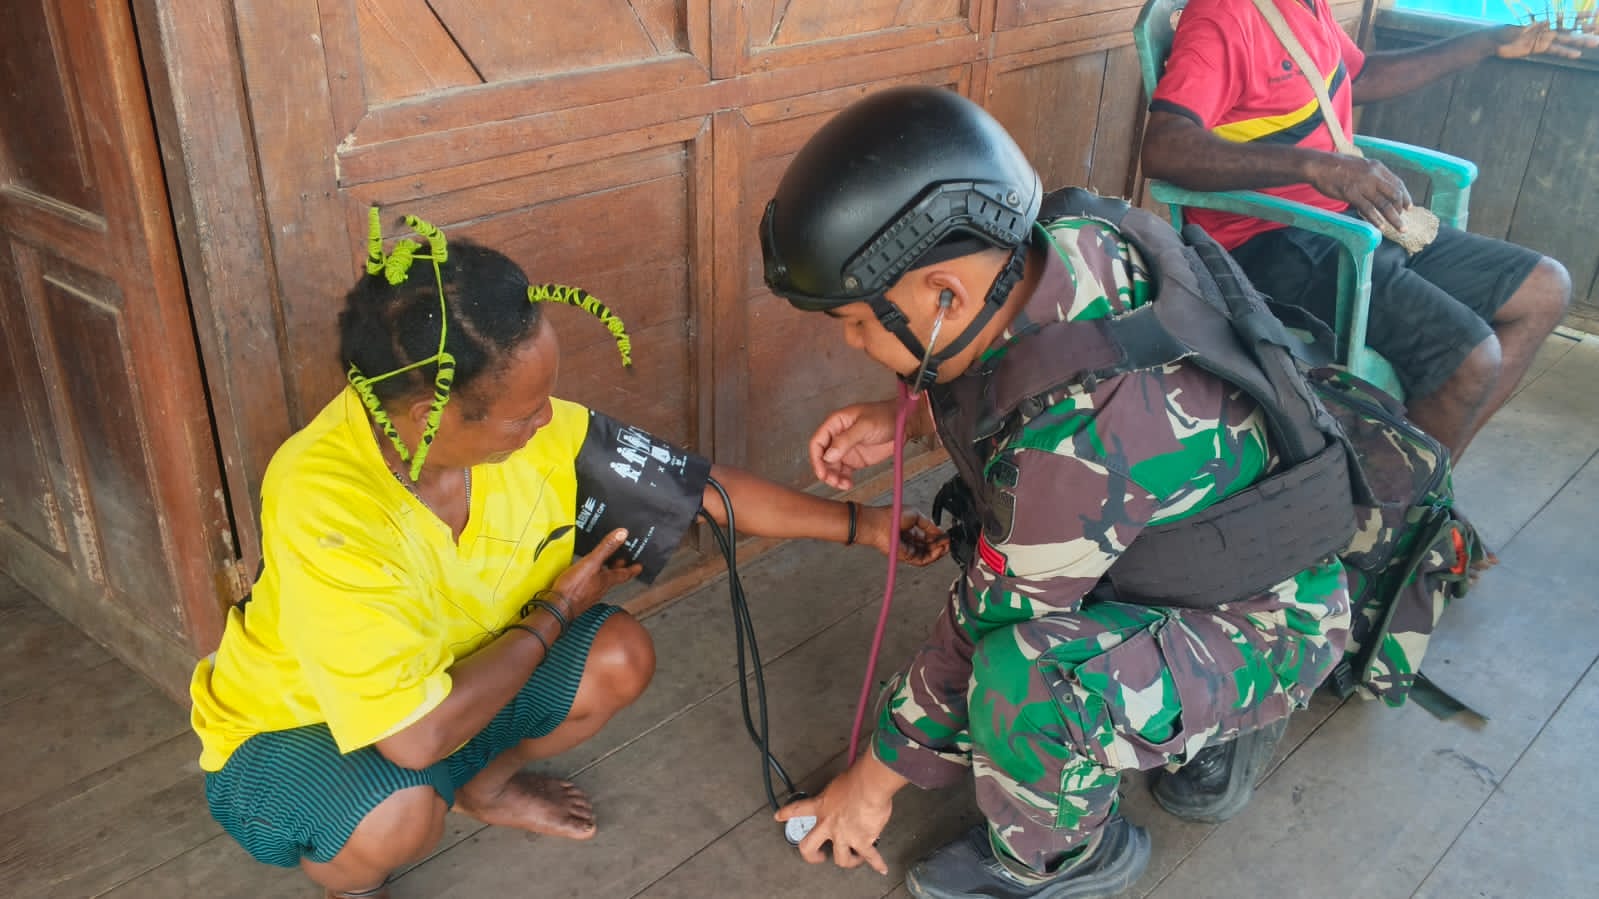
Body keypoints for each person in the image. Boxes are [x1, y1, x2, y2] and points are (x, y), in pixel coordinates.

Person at [187, 211, 945, 899]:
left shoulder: (531, 432)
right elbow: (411, 737)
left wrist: (866, 526)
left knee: (618, 653)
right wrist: (555, 609)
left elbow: (699, 489)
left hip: (458, 681)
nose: (548, 419)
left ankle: (483, 785)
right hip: (291, 730)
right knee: (393, 813)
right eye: (523, 410)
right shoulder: (325, 498)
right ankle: (351, 882)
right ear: (429, 415)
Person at [763, 86, 1353, 899]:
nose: (854, 343)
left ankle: (1065, 860)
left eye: (859, 324)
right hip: (1205, 542)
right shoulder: (1069, 235)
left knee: (1021, 682)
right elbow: (1032, 363)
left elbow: (977, 630)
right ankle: (1184, 718)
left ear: (942, 296)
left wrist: (867, 787)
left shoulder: (1076, 454)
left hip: (1267, 612)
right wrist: (907, 418)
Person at [1142, 2, 1594, 460]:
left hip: (1348, 221)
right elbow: (1166, 148)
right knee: (1472, 359)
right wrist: (1317, 165)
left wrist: (1486, 42)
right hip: (1267, 243)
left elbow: (1354, 77)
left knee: (1544, 287)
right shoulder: (1227, 14)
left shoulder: (1307, 6)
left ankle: (1414, 483)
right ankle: (1397, 508)